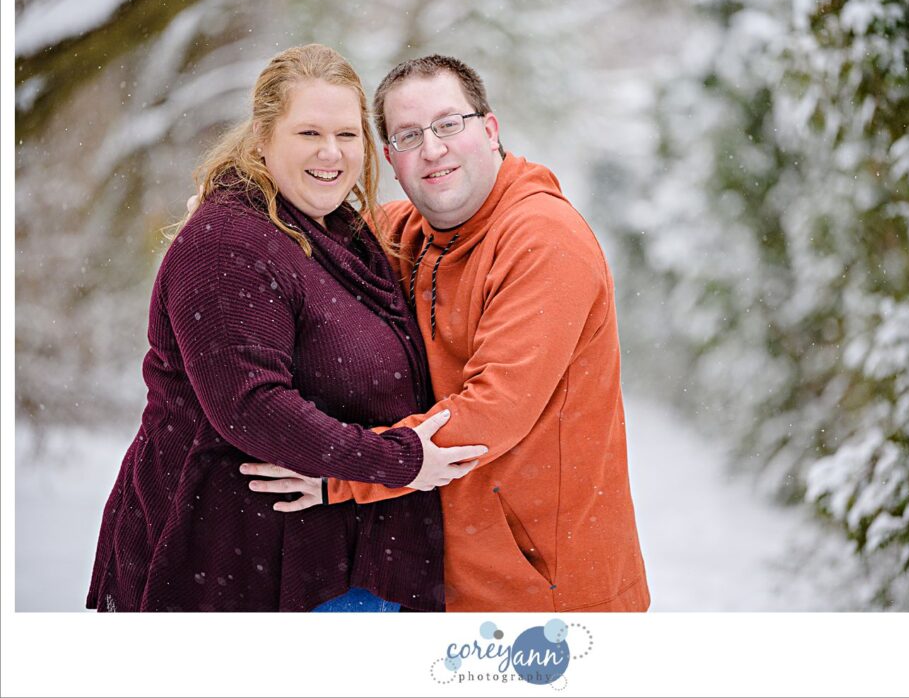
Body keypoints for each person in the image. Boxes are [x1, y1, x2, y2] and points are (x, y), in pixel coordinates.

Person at [86, 44, 486, 612]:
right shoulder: (228, 243)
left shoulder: (336, 231)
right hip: (230, 563)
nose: (331, 153)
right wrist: (399, 461)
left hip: (328, 559)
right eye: (308, 133)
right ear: (262, 139)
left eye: (348, 135)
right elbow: (251, 406)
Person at [246, 55, 650, 612]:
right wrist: (230, 215)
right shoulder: (408, 234)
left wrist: (341, 471)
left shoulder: (544, 241)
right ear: (390, 159)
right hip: (455, 586)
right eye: (409, 135)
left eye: (448, 124)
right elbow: (303, 222)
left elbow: (493, 413)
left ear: (489, 130)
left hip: (550, 595)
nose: (432, 148)